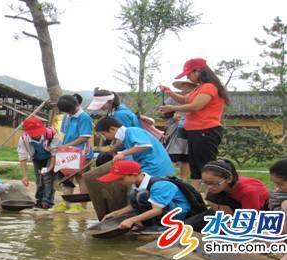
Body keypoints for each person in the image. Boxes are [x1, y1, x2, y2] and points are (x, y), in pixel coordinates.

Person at [160, 58, 229, 190]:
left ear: (198, 71)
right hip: (195, 131)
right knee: (196, 166)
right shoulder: (200, 88)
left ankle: (212, 194)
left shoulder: (209, 87)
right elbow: (185, 100)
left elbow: (196, 106)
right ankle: (197, 195)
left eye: (189, 74)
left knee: (206, 167)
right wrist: (170, 93)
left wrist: (172, 108)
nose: (188, 77)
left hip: (206, 130)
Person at [98, 160, 192, 230]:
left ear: (134, 175)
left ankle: (162, 227)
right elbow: (134, 205)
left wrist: (131, 220)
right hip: (162, 208)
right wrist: (116, 213)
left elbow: (157, 210)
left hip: (178, 213)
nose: (118, 182)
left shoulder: (159, 186)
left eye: (121, 179)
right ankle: (147, 225)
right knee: (133, 194)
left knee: (142, 195)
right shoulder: (136, 184)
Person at [95, 117, 174, 177]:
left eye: (104, 134)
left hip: (156, 168)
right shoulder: (126, 137)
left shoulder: (132, 131)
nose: (105, 137)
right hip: (151, 167)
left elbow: (145, 146)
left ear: (112, 129)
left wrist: (123, 153)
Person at [56, 95, 93, 212]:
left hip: (82, 152)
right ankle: (66, 203)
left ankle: (82, 206)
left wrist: (67, 145)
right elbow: (63, 133)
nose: (69, 114)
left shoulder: (84, 117)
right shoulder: (67, 116)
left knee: (81, 178)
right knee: (68, 177)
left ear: (76, 105)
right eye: (67, 112)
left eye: (70, 111)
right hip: (67, 153)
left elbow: (85, 137)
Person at [17, 116, 60, 209]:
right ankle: (39, 200)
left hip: (50, 157)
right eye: (33, 133)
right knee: (39, 180)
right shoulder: (24, 139)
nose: (36, 135)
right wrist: (24, 176)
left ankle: (47, 201)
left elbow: (54, 153)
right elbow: (22, 156)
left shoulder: (51, 134)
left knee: (47, 178)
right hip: (37, 158)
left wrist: (50, 168)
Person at [202, 159, 269, 213]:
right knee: (210, 196)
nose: (209, 187)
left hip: (259, 211)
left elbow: (250, 219)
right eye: (206, 183)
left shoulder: (248, 192)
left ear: (229, 179)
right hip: (235, 202)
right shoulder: (221, 184)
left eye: (213, 183)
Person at [162, 80, 197, 180]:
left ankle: (183, 182)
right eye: (184, 86)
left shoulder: (197, 99)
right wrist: (172, 116)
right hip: (175, 131)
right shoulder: (173, 98)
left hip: (191, 131)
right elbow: (161, 112)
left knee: (186, 158)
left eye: (189, 86)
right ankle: (166, 179)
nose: (186, 89)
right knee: (172, 156)